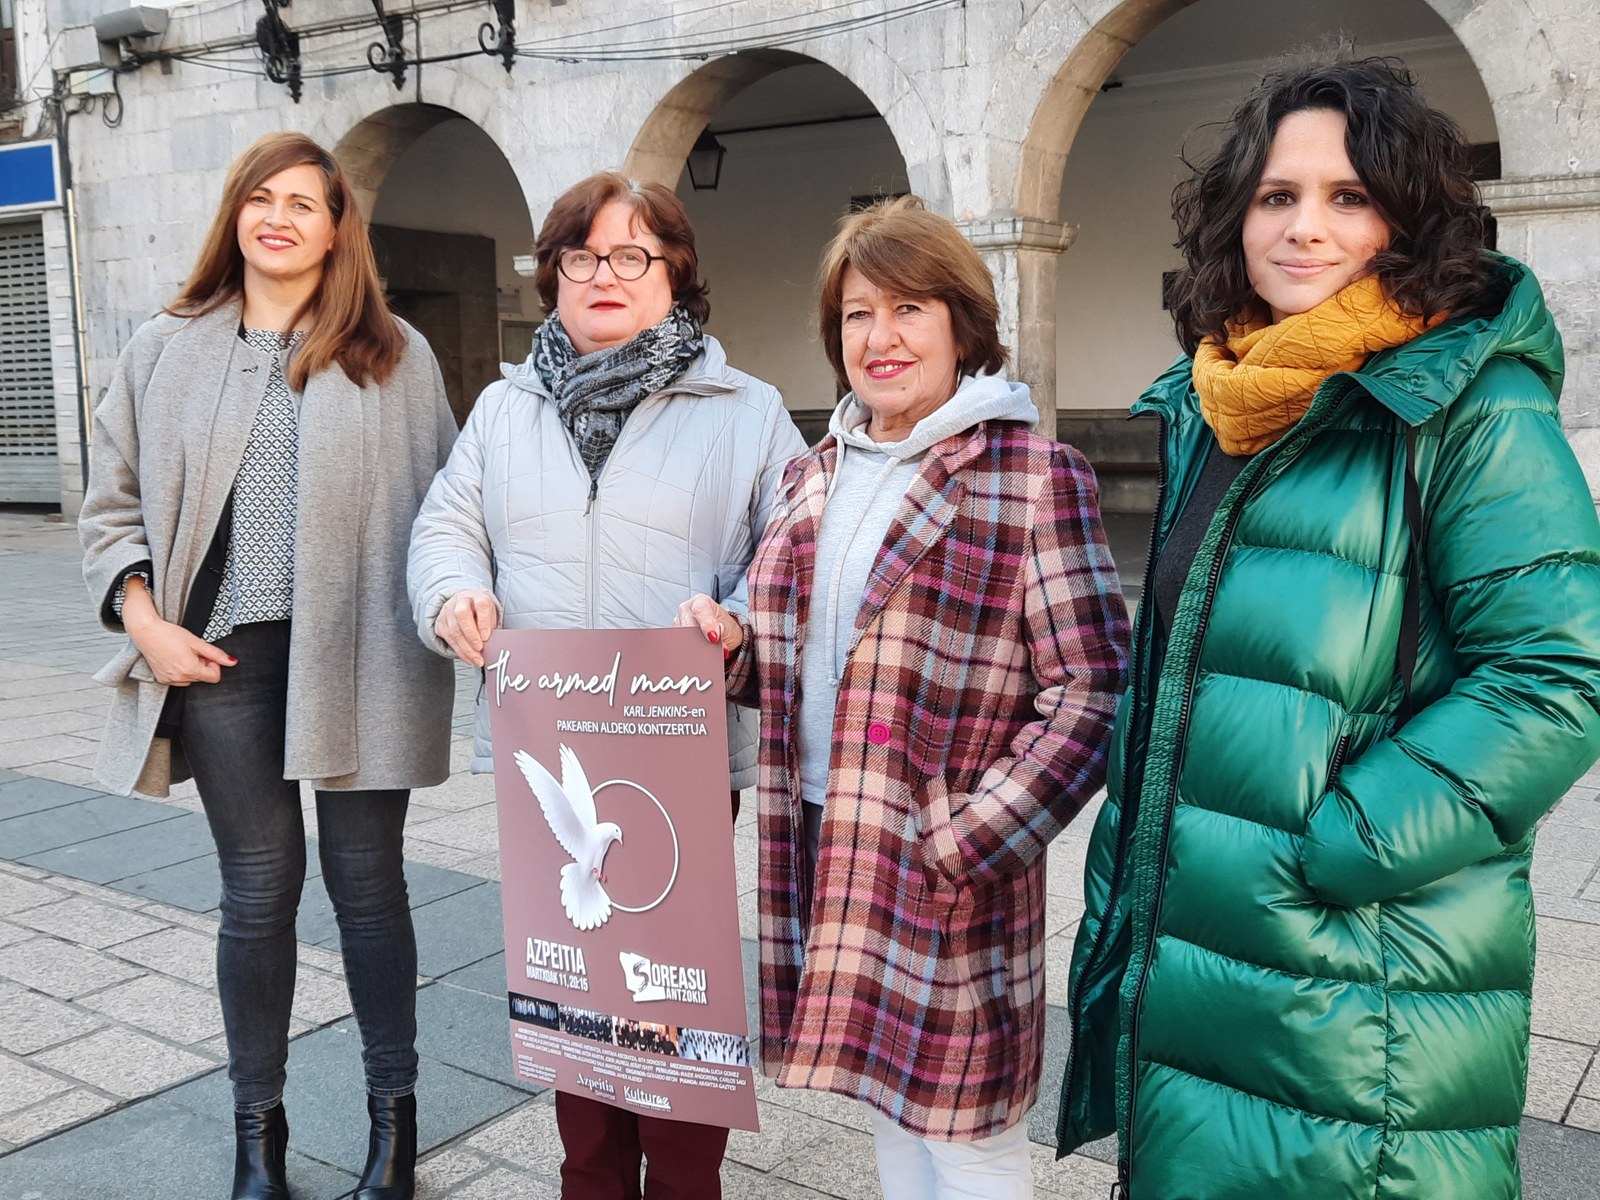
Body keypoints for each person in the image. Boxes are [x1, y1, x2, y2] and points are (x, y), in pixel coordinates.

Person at [1054, 56, 1600, 1199]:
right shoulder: (1217, 404)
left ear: (1406, 220)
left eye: (1348, 197)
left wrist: (1334, 845)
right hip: (1204, 960)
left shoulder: (1470, 403)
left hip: (1361, 990)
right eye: (1276, 195)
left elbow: (1556, 674)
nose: (1305, 227)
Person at [676, 197, 1130, 1200]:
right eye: (856, 315)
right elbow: (784, 643)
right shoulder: (811, 474)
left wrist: (968, 836)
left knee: (966, 1127)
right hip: (822, 833)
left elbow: (1091, 689)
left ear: (962, 323)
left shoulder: (1030, 475)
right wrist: (731, 646)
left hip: (940, 850)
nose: (880, 338)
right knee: (888, 1101)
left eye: (909, 308)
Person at [406, 171, 805, 1200]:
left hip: (678, 743)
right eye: (581, 256)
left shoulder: (747, 411)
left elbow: (794, 550)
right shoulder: (504, 409)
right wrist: (453, 595)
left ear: (675, 274)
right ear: (553, 276)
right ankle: (588, 1174)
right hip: (549, 736)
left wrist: (742, 619)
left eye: (634, 255)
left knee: (672, 978)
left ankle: (682, 1179)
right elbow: (448, 525)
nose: (604, 276)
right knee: (569, 973)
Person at [78, 133, 457, 1200]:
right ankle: (260, 1146)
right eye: (262, 196)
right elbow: (109, 507)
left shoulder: (394, 352)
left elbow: (448, 510)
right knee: (257, 896)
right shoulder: (165, 348)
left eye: (306, 202)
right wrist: (142, 618)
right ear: (235, 213)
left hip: (363, 655)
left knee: (368, 891)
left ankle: (395, 1131)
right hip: (219, 659)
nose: (280, 216)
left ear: (340, 230)